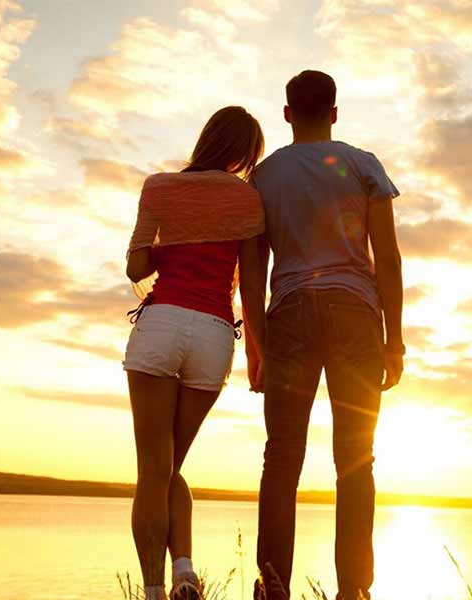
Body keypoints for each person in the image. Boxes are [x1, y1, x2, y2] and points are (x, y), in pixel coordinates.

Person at [243, 70, 405, 600]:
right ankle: (354, 591)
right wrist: (394, 340)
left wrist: (257, 345)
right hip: (356, 316)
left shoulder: (264, 177)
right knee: (356, 458)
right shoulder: (363, 166)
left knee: (282, 457)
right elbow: (388, 259)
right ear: (335, 113)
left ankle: (272, 587)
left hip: (289, 315)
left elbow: (251, 268)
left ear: (287, 113)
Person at [123, 106, 267, 600]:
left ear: (207, 138)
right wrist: (257, 354)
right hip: (212, 335)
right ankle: (184, 569)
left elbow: (136, 266)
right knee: (169, 469)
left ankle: (154, 591)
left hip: (162, 325)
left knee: (153, 471)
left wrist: (170, 248)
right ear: (245, 153)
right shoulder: (249, 198)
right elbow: (251, 284)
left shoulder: (159, 186)